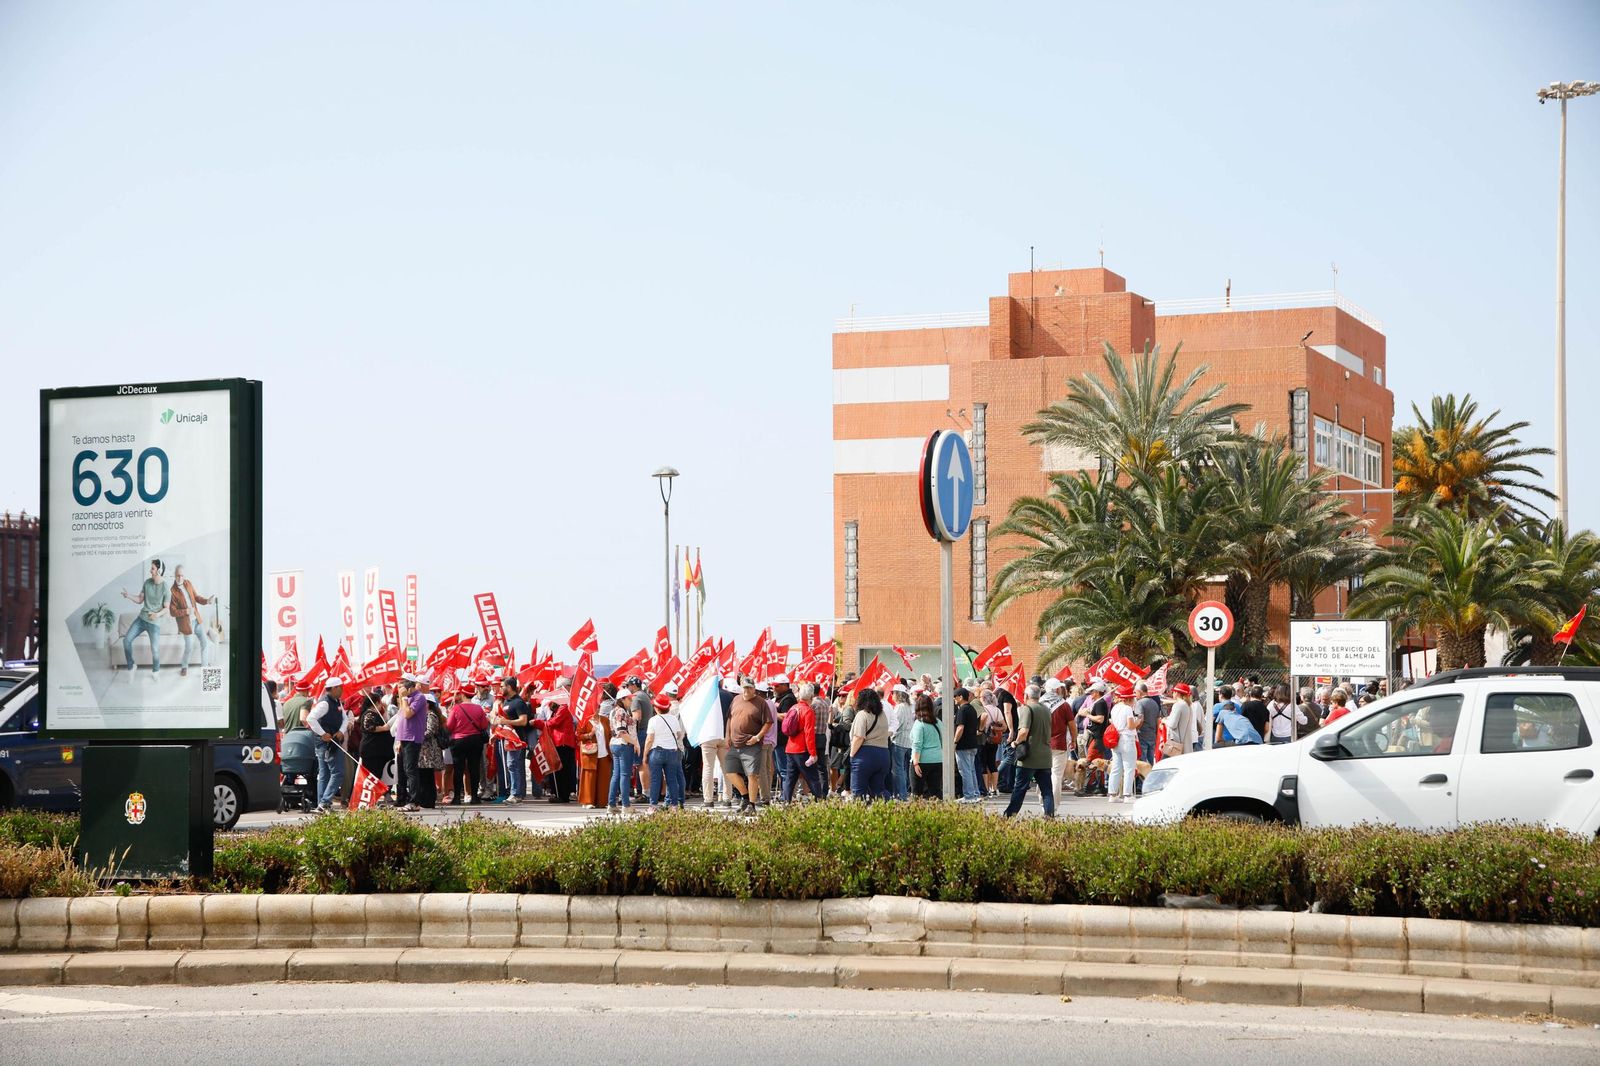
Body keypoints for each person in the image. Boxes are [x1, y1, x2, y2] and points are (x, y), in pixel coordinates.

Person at [1003, 685, 1057, 818]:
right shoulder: (1046, 709)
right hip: (1045, 756)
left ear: (1026, 696)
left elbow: (1024, 731)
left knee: (1019, 789)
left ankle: (1009, 815)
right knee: (1047, 791)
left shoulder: (1027, 709)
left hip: (1029, 757)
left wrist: (1015, 742)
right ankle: (1049, 816)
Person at [725, 677, 772, 813]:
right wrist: (727, 736)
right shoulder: (736, 699)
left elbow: (768, 722)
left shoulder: (761, 703)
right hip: (734, 744)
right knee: (729, 772)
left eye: (749, 688)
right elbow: (730, 718)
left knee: (752, 775)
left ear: (754, 689)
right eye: (745, 688)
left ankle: (751, 805)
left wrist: (758, 737)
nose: (747, 690)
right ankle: (745, 797)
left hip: (751, 744)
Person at [119, 558, 170, 679]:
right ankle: (131, 666)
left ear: (159, 570)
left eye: (152, 568)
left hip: (154, 622)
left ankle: (155, 671)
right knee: (126, 641)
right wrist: (128, 596)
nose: (150, 570)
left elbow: (166, 608)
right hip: (142, 619)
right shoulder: (147, 583)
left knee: (155, 650)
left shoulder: (166, 588)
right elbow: (139, 599)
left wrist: (156, 615)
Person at [166, 564, 214, 678]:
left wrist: (207, 601)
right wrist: (186, 611)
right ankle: (184, 666)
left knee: (205, 643)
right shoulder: (172, 591)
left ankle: (204, 669)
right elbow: (172, 611)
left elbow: (196, 597)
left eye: (182, 575)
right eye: (178, 576)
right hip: (186, 624)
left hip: (196, 621)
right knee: (189, 647)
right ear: (174, 575)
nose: (180, 578)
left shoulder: (188, 583)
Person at [778, 682, 821, 803]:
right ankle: (821, 802)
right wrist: (813, 753)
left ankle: (786, 802)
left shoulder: (793, 708)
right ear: (811, 697)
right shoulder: (808, 711)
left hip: (790, 748)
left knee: (790, 779)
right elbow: (809, 734)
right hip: (803, 750)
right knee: (813, 778)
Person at [445, 688, 490, 806]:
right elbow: (484, 725)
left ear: (463, 695)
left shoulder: (456, 708)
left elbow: (449, 726)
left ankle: (456, 798)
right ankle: (474, 796)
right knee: (474, 768)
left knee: (458, 769)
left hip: (458, 741)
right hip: (475, 741)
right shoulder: (478, 708)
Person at [643, 694, 687, 810]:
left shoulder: (653, 720)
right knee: (671, 780)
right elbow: (678, 735)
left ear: (656, 708)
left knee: (655, 780)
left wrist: (645, 754)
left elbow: (649, 739)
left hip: (657, 751)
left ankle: (653, 806)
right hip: (672, 752)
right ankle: (674, 806)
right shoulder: (673, 718)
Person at [848, 688, 891, 800]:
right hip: (884, 754)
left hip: (865, 755)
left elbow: (859, 737)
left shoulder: (862, 714)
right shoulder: (883, 715)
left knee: (858, 793)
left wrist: (852, 755)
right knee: (879, 791)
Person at [494, 678, 530, 802]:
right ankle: (517, 793)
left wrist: (506, 721)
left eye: (502, 686)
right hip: (506, 738)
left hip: (516, 740)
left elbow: (523, 721)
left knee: (513, 765)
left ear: (509, 687)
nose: (500, 688)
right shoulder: (506, 702)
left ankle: (515, 794)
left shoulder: (519, 702)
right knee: (513, 766)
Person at [606, 688, 641, 812]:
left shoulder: (614, 711)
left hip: (616, 744)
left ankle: (612, 804)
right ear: (623, 699)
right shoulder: (621, 712)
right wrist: (635, 743)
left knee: (616, 774)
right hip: (623, 744)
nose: (631, 700)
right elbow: (622, 732)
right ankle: (626, 805)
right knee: (624, 775)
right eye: (629, 698)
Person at [1106, 685, 1141, 802]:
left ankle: (1112, 794)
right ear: (1129, 699)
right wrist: (1138, 721)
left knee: (1116, 767)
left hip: (1116, 739)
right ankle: (1127, 795)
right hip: (1127, 739)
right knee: (1129, 767)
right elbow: (1131, 726)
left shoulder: (1115, 708)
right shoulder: (1127, 709)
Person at [908, 694, 944, 799]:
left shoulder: (919, 724)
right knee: (936, 792)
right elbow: (943, 740)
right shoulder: (938, 722)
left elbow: (917, 744)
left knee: (917, 794)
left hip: (922, 761)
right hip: (937, 759)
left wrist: (915, 763)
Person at [1045, 677, 1075, 798]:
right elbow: (1072, 725)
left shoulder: (1040, 703)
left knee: (1043, 773)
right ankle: (1053, 804)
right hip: (1059, 744)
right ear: (1057, 690)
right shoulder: (1064, 705)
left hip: (1042, 744)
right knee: (1056, 775)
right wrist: (1073, 740)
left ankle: (1044, 800)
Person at [357, 688, 392, 789]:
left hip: (377, 751)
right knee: (371, 775)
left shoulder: (376, 713)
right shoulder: (369, 714)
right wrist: (384, 728)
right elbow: (369, 727)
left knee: (377, 774)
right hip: (371, 750)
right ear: (376, 702)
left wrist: (384, 710)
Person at [886, 684, 915, 801]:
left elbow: (896, 725)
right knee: (903, 769)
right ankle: (903, 793)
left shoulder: (899, 707)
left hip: (898, 741)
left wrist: (890, 734)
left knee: (898, 770)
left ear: (898, 694)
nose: (892, 695)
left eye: (893, 693)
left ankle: (901, 795)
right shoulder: (908, 706)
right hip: (907, 741)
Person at [953, 687, 982, 801]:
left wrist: (955, 741)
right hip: (973, 743)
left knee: (964, 770)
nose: (954, 699)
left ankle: (969, 795)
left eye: (955, 697)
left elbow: (960, 727)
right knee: (971, 769)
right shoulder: (972, 709)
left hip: (963, 745)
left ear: (960, 697)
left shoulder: (962, 710)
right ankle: (975, 794)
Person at [979, 691, 1005, 796]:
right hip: (994, 740)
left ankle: (985, 788)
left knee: (983, 764)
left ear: (984, 698)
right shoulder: (997, 710)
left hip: (984, 739)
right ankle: (994, 788)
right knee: (992, 763)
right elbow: (1004, 727)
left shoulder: (983, 710)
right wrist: (995, 727)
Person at [1163, 683, 1197, 756]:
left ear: (1177, 693)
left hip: (1176, 744)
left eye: (1174, 692)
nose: (1173, 693)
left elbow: (1172, 724)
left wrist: (1164, 720)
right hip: (1186, 742)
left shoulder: (1178, 705)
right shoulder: (1188, 705)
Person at [1134, 680, 1162, 764]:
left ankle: (1143, 777)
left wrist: (1135, 730)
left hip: (1142, 734)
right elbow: (1158, 720)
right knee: (1151, 760)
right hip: (1152, 734)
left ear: (1140, 692)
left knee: (1142, 760)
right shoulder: (1154, 703)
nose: (1135, 695)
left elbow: (1140, 719)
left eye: (1135, 692)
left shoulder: (1140, 703)